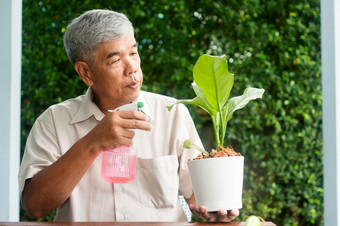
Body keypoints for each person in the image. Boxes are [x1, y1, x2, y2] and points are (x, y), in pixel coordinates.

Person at [18, 9, 239, 222]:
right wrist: (92, 142)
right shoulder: (54, 121)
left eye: (133, 53)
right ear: (86, 72)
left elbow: (195, 196)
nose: (132, 67)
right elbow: (35, 206)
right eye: (115, 61)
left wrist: (214, 209)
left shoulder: (172, 113)